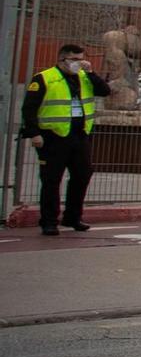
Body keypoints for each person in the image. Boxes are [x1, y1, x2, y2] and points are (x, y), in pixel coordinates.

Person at [20, 43, 110, 235]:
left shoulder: (85, 77)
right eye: (74, 60)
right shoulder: (45, 78)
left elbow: (104, 91)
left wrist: (92, 72)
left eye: (81, 59)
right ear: (62, 59)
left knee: (82, 175)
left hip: (79, 134)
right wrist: (34, 133)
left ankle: (73, 217)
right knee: (52, 179)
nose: (78, 63)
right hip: (53, 136)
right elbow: (29, 108)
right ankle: (49, 221)